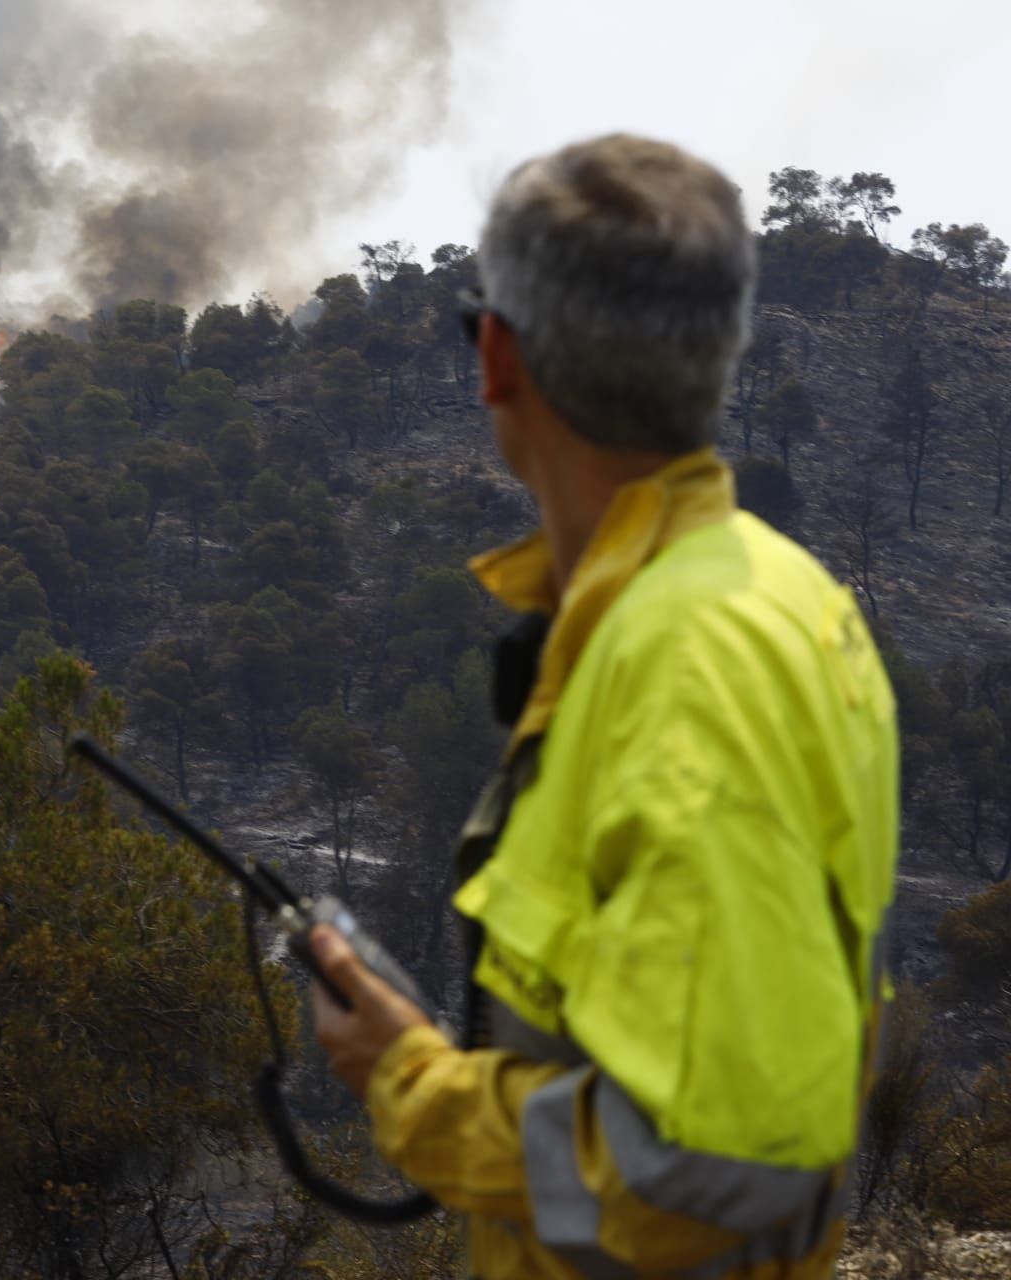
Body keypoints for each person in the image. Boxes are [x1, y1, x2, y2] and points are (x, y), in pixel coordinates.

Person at [310, 134, 898, 1279]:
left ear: (497, 359)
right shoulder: (772, 595)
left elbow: (716, 1163)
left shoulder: (688, 665)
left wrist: (415, 1089)